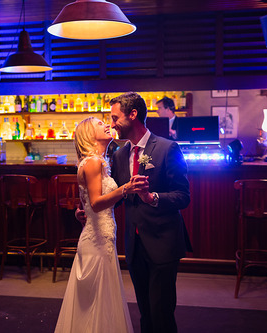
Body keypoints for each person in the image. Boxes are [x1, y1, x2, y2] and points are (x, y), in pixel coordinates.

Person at [77, 92, 191, 332]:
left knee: (162, 312)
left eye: (115, 117)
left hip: (163, 242)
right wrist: (89, 211)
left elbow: (183, 196)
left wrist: (153, 198)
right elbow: (118, 196)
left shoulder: (168, 148)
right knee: (145, 312)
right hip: (134, 244)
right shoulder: (118, 155)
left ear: (133, 114)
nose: (111, 123)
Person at [55, 117, 147, 333]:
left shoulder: (94, 162)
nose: (107, 125)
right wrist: (126, 188)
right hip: (97, 241)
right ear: (88, 134)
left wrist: (82, 212)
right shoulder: (94, 163)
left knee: (96, 300)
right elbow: (96, 204)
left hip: (98, 236)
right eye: (99, 124)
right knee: (98, 299)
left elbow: (87, 203)